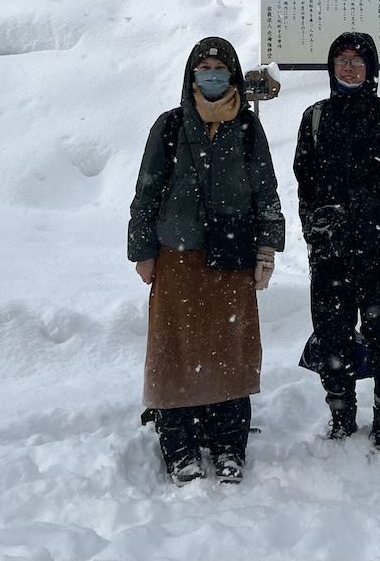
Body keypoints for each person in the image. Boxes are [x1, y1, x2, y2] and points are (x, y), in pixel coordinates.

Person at [127, 36, 285, 485]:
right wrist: (142, 250)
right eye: (204, 68)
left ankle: (229, 444)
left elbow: (266, 192)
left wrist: (267, 249)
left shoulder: (250, 129)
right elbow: (147, 191)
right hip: (177, 256)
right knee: (175, 351)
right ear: (191, 75)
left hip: (232, 255)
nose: (211, 75)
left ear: (232, 75)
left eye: (219, 68)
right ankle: (178, 444)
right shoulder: (172, 126)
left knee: (230, 351)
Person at [293, 31, 380, 459]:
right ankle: (341, 413)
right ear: (330, 68)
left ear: (371, 68)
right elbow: (304, 185)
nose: (348, 67)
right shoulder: (314, 118)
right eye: (341, 60)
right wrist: (315, 231)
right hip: (331, 257)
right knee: (333, 338)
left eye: (357, 60)